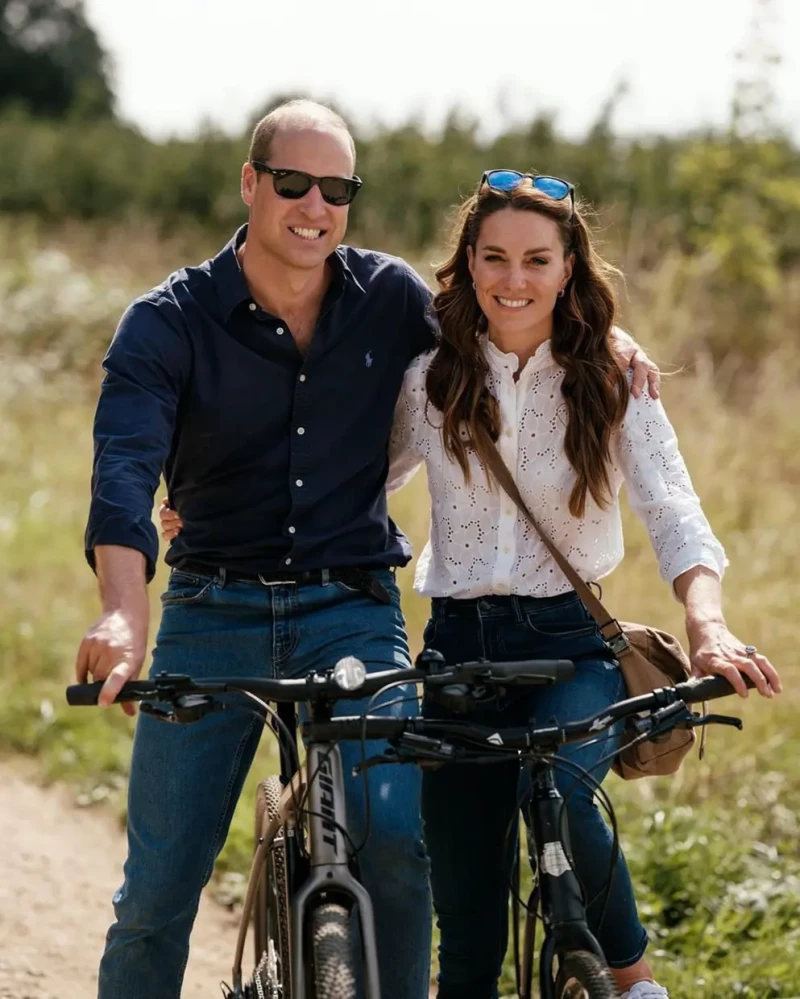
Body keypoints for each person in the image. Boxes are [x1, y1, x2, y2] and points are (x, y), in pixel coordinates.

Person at [78, 96, 658, 999]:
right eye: (293, 182)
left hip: (350, 607)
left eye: (336, 188)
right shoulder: (166, 323)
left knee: (396, 834)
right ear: (250, 182)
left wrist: (603, 332)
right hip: (209, 609)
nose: (315, 205)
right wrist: (122, 610)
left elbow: (510, 315)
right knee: (157, 893)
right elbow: (123, 471)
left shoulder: (387, 300)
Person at [379, 170, 781, 999]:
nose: (513, 280)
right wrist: (209, 511)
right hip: (456, 651)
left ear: (569, 268)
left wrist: (706, 624)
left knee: (566, 789)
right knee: (468, 928)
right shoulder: (431, 381)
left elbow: (672, 509)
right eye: (494, 258)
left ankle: (634, 983)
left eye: (536, 259)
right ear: (469, 264)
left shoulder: (612, 377)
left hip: (571, 644)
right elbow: (358, 484)